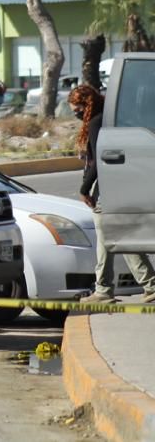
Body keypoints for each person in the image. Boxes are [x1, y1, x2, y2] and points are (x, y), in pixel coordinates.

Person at [71, 86, 155, 304]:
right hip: (116, 183)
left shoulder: (96, 123)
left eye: (77, 110)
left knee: (108, 236)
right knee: (120, 236)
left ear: (86, 105)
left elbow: (99, 159)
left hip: (105, 187)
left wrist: (84, 188)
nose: (76, 115)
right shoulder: (108, 120)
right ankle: (150, 284)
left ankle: (104, 290)